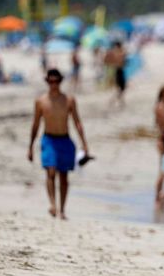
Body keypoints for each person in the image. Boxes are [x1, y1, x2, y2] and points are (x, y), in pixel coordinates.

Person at [28, 68, 90, 219]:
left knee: (64, 176)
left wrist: (84, 143)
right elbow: (35, 125)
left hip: (64, 139)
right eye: (51, 81)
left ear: (60, 81)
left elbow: (77, 122)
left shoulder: (69, 100)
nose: (53, 84)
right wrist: (30, 147)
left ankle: (62, 210)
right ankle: (53, 205)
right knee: (50, 172)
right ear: (47, 81)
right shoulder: (41, 101)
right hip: (48, 139)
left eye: (56, 81)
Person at [105, 41, 127, 106]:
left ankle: (119, 101)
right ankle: (114, 101)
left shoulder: (115, 52)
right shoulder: (120, 53)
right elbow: (107, 60)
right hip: (118, 71)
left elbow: (107, 61)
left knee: (121, 88)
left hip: (119, 71)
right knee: (120, 88)